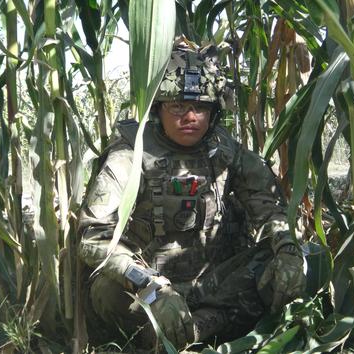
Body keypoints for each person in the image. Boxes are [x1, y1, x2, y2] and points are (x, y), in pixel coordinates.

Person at [78, 37, 306, 351]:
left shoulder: (225, 150)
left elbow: (269, 208)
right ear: (159, 109)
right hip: (148, 289)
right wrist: (153, 289)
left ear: (213, 112)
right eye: (178, 107)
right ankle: (196, 330)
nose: (190, 117)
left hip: (216, 281)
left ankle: (193, 331)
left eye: (200, 107)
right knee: (105, 290)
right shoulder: (129, 155)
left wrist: (288, 252)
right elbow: (94, 239)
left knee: (279, 263)